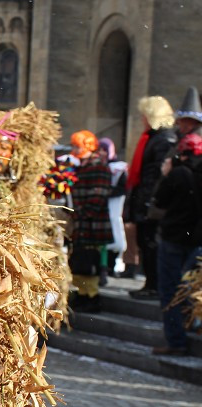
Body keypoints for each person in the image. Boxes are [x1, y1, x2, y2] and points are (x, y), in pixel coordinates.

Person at [148, 132, 202, 355]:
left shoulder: (178, 173)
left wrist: (166, 174)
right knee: (193, 289)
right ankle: (192, 327)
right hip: (197, 239)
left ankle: (176, 341)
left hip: (174, 238)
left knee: (170, 290)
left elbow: (160, 200)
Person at [125, 96, 177, 298]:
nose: (142, 119)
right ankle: (150, 283)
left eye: (144, 115)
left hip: (151, 203)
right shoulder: (153, 138)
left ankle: (153, 285)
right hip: (145, 200)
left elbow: (156, 176)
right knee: (145, 242)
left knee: (150, 244)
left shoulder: (163, 139)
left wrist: (148, 203)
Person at [68, 130, 112, 312]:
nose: (74, 149)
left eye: (77, 146)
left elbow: (99, 195)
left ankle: (92, 297)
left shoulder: (98, 165)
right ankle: (83, 294)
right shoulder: (81, 165)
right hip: (82, 221)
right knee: (79, 261)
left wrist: (81, 213)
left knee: (89, 263)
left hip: (92, 223)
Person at [99, 137, 127, 283]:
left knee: (115, 235)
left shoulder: (119, 167)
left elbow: (124, 187)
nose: (102, 153)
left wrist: (108, 192)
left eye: (104, 150)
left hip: (114, 207)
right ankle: (103, 268)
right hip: (101, 208)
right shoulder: (97, 165)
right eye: (100, 150)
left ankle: (112, 265)